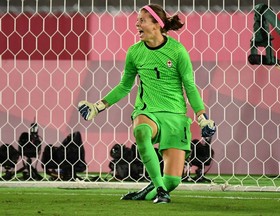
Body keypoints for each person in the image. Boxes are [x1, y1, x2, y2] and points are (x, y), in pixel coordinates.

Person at [78, 4, 216, 204]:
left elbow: (190, 87)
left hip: (175, 116)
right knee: (141, 132)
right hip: (147, 111)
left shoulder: (177, 51)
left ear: (157, 25)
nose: (137, 24)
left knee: (173, 180)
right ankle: (159, 189)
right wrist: (98, 106)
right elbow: (124, 87)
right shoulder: (134, 52)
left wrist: (202, 118)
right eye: (137, 20)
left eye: (142, 20)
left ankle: (151, 191)